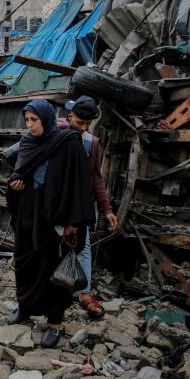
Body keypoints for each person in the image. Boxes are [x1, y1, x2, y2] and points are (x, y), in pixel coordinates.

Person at [5, 99, 95, 348]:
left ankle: (55, 323)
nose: (30, 125)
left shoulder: (69, 143)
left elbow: (79, 185)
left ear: (47, 119)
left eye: (34, 120)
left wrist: (74, 222)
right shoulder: (27, 143)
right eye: (27, 120)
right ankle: (25, 306)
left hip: (56, 217)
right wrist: (15, 184)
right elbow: (19, 174)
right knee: (25, 263)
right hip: (28, 212)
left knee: (53, 269)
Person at [61, 95, 118, 318]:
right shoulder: (57, 135)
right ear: (69, 116)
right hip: (58, 204)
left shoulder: (91, 142)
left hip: (80, 206)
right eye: (79, 122)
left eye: (87, 124)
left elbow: (96, 179)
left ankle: (85, 294)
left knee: (83, 248)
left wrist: (107, 209)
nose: (82, 127)